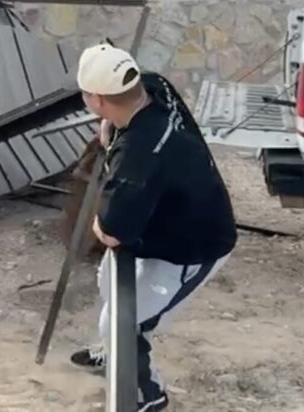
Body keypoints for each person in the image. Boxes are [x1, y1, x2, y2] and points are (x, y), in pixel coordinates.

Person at [70, 43, 237, 412]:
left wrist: (101, 216)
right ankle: (113, 353)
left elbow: (112, 232)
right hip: (166, 217)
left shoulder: (139, 155)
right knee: (108, 285)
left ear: (96, 99)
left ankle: (147, 395)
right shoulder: (153, 87)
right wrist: (110, 126)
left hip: (191, 246)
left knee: (127, 321)